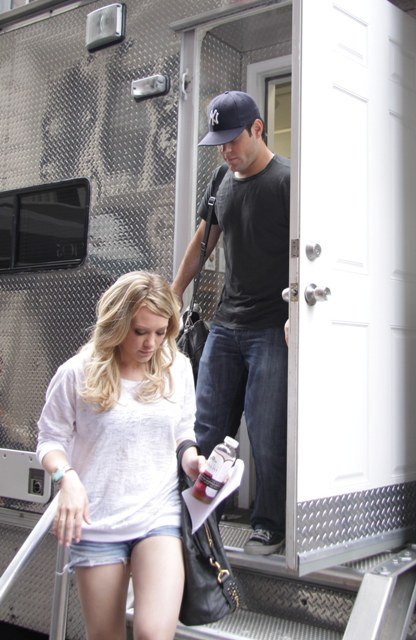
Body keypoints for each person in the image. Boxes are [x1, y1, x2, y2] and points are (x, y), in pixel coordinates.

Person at [36, 271, 204, 640]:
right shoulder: (76, 373)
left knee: (153, 634)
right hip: (98, 521)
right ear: (116, 324)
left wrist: (191, 459)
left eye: (160, 332)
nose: (151, 343)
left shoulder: (177, 367)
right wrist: (67, 478)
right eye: (140, 332)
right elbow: (49, 440)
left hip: (158, 515)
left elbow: (183, 431)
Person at [172, 90, 290, 556]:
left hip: (270, 328)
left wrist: (295, 314)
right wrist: (174, 291)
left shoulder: (287, 181)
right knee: (205, 429)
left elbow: (307, 250)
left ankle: (269, 524)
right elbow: (205, 237)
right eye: (218, 142)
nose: (225, 150)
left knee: (266, 434)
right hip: (225, 325)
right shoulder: (222, 177)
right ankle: (201, 521)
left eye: (232, 139)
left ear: (258, 129)